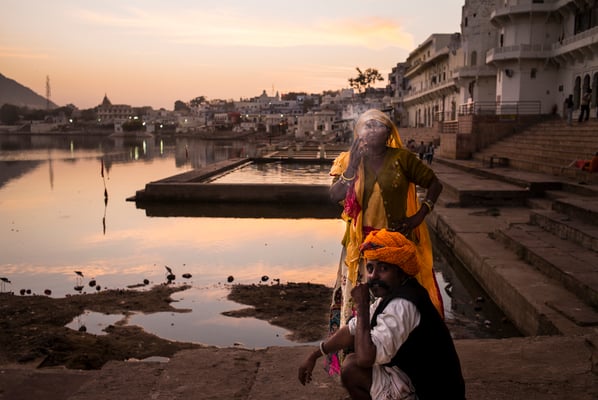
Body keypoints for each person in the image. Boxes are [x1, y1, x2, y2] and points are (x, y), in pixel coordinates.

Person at [326, 109, 444, 375]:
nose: (371, 130)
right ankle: (359, 354)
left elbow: (435, 184)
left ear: (389, 132)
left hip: (394, 246)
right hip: (360, 247)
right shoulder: (348, 161)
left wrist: (419, 215)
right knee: (360, 297)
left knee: (395, 300)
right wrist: (353, 166)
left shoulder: (402, 159)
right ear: (358, 132)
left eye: (378, 126)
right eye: (365, 126)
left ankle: (400, 356)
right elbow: (334, 195)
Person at [298, 229, 466, 400]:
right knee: (351, 357)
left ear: (401, 272)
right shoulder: (394, 292)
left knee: (352, 369)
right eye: (370, 268)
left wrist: (362, 306)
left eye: (383, 268)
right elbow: (352, 329)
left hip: (434, 392)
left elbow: (365, 359)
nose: (373, 276)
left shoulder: (403, 304)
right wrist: (315, 355)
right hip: (412, 376)